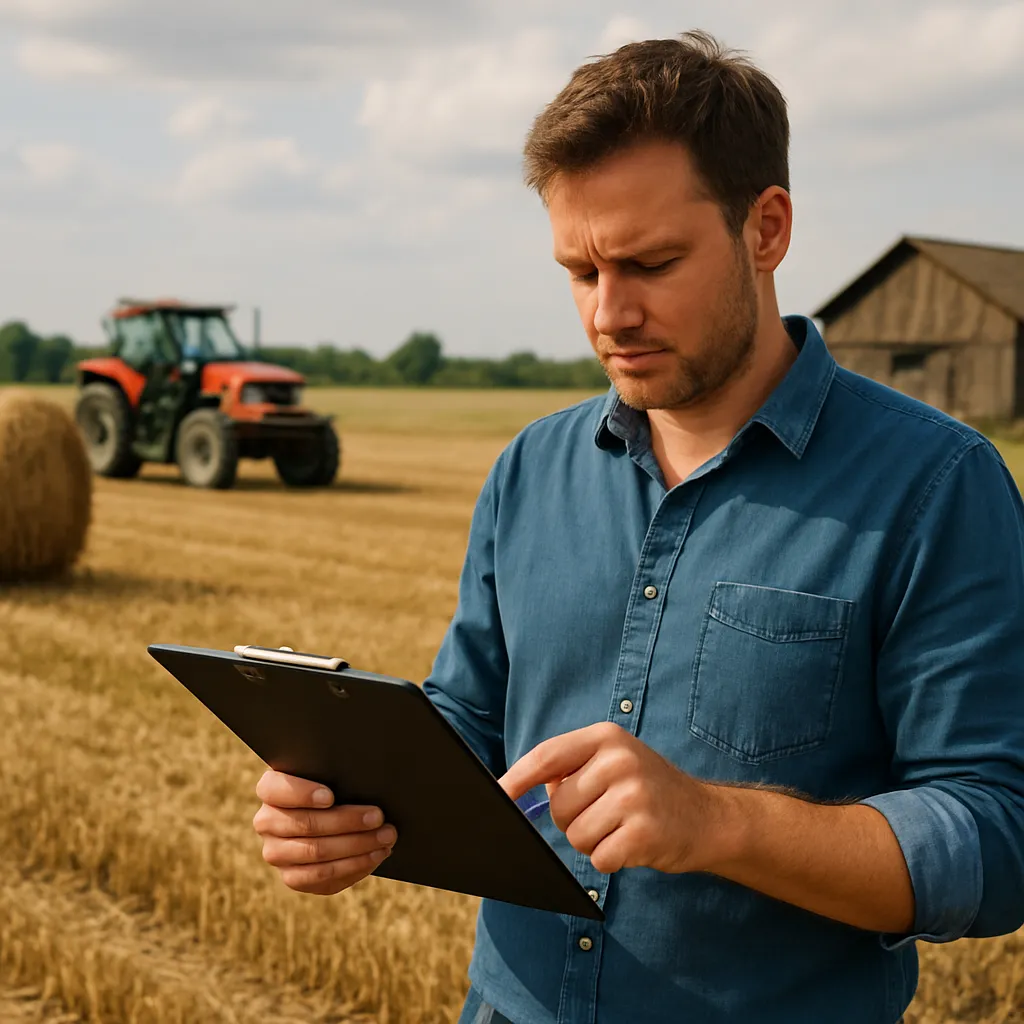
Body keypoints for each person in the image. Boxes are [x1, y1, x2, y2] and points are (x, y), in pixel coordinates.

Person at [251, 30, 1024, 1024]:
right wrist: (345, 805)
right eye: (579, 270)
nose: (608, 313)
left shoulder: (937, 485)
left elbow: (994, 837)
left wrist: (717, 821)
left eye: (651, 262)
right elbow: (472, 720)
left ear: (768, 227)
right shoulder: (530, 467)